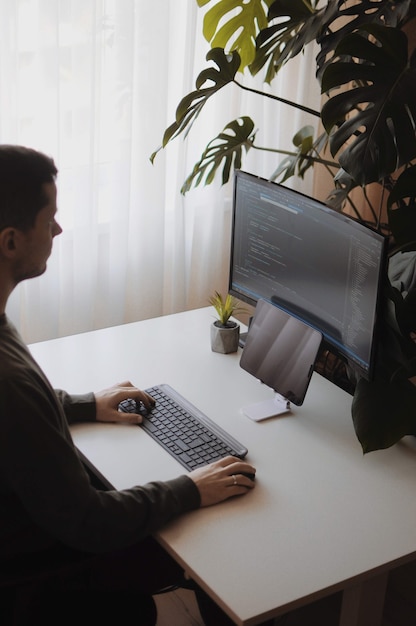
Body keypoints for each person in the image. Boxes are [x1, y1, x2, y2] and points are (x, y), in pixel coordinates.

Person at [0, 145, 257, 625]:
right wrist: (191, 487)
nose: (58, 230)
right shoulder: (10, 382)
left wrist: (85, 403)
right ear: (11, 242)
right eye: (49, 219)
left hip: (26, 523)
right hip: (39, 558)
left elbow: (19, 413)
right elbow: (91, 522)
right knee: (219, 540)